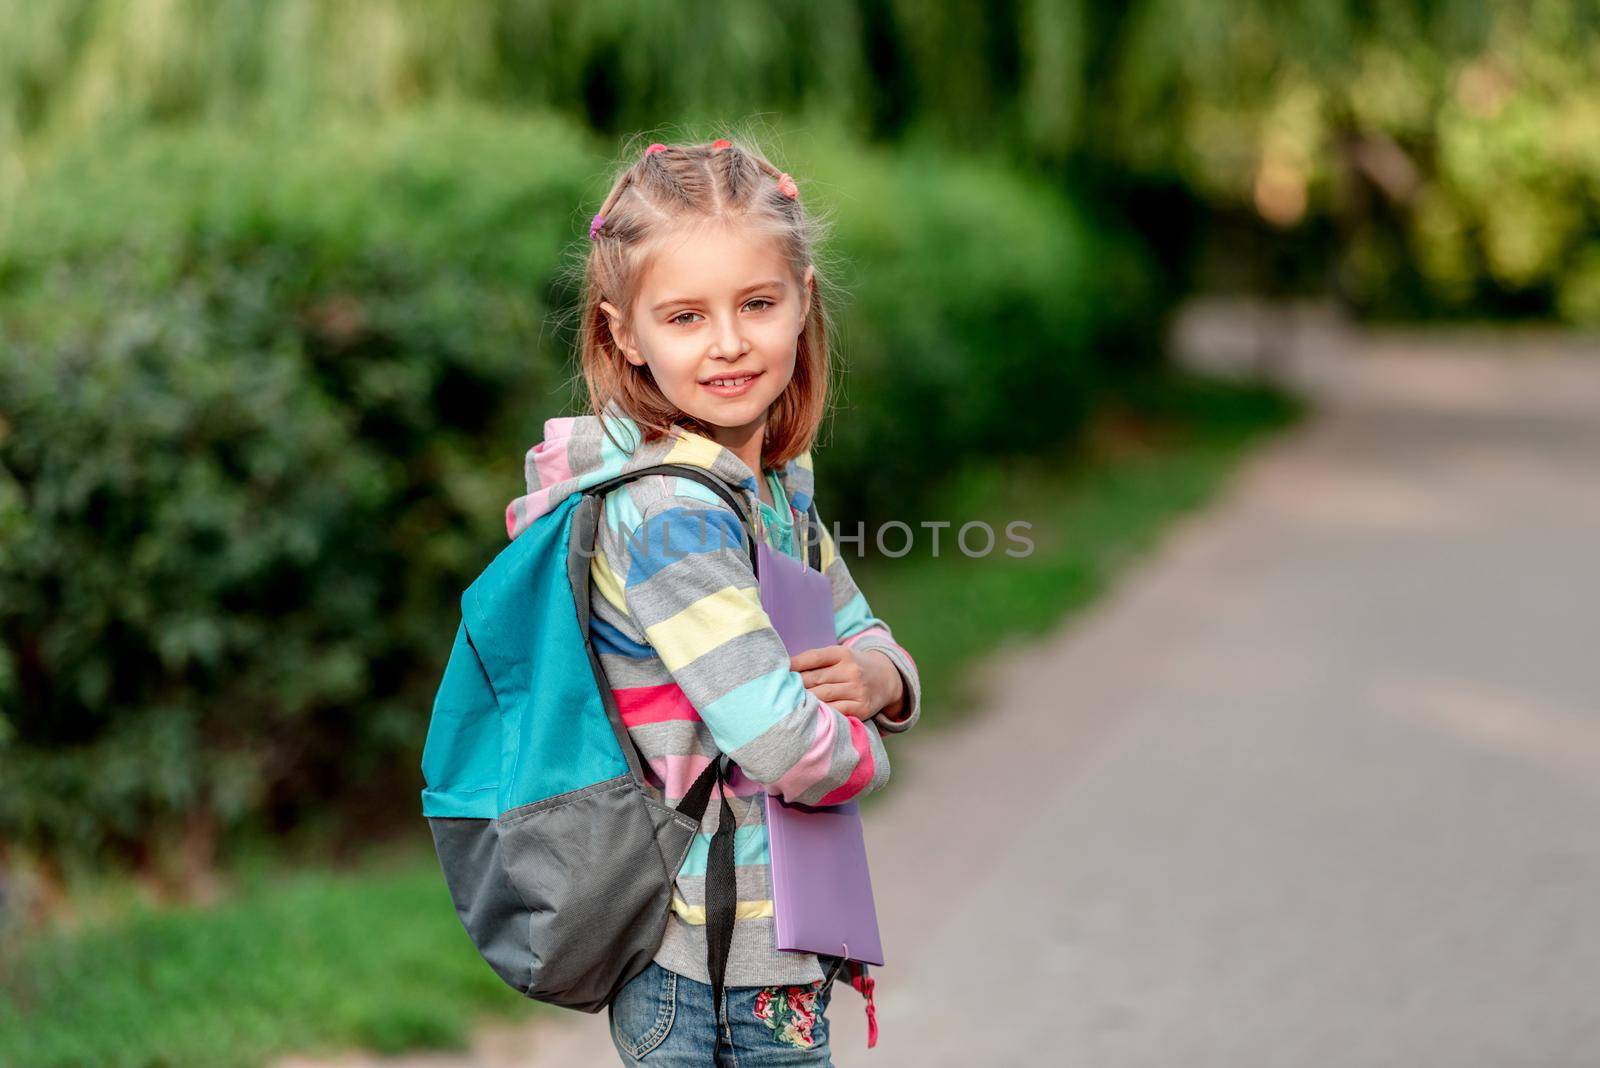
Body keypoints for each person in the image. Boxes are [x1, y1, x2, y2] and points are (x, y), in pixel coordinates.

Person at [503, 137, 923, 1064]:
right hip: (704, 969)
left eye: (758, 304)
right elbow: (778, 740)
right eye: (685, 316)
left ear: (803, 300)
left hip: (773, 946)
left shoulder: (769, 483)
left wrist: (881, 680)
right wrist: (871, 754)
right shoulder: (669, 517)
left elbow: (857, 625)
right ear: (624, 334)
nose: (729, 342)